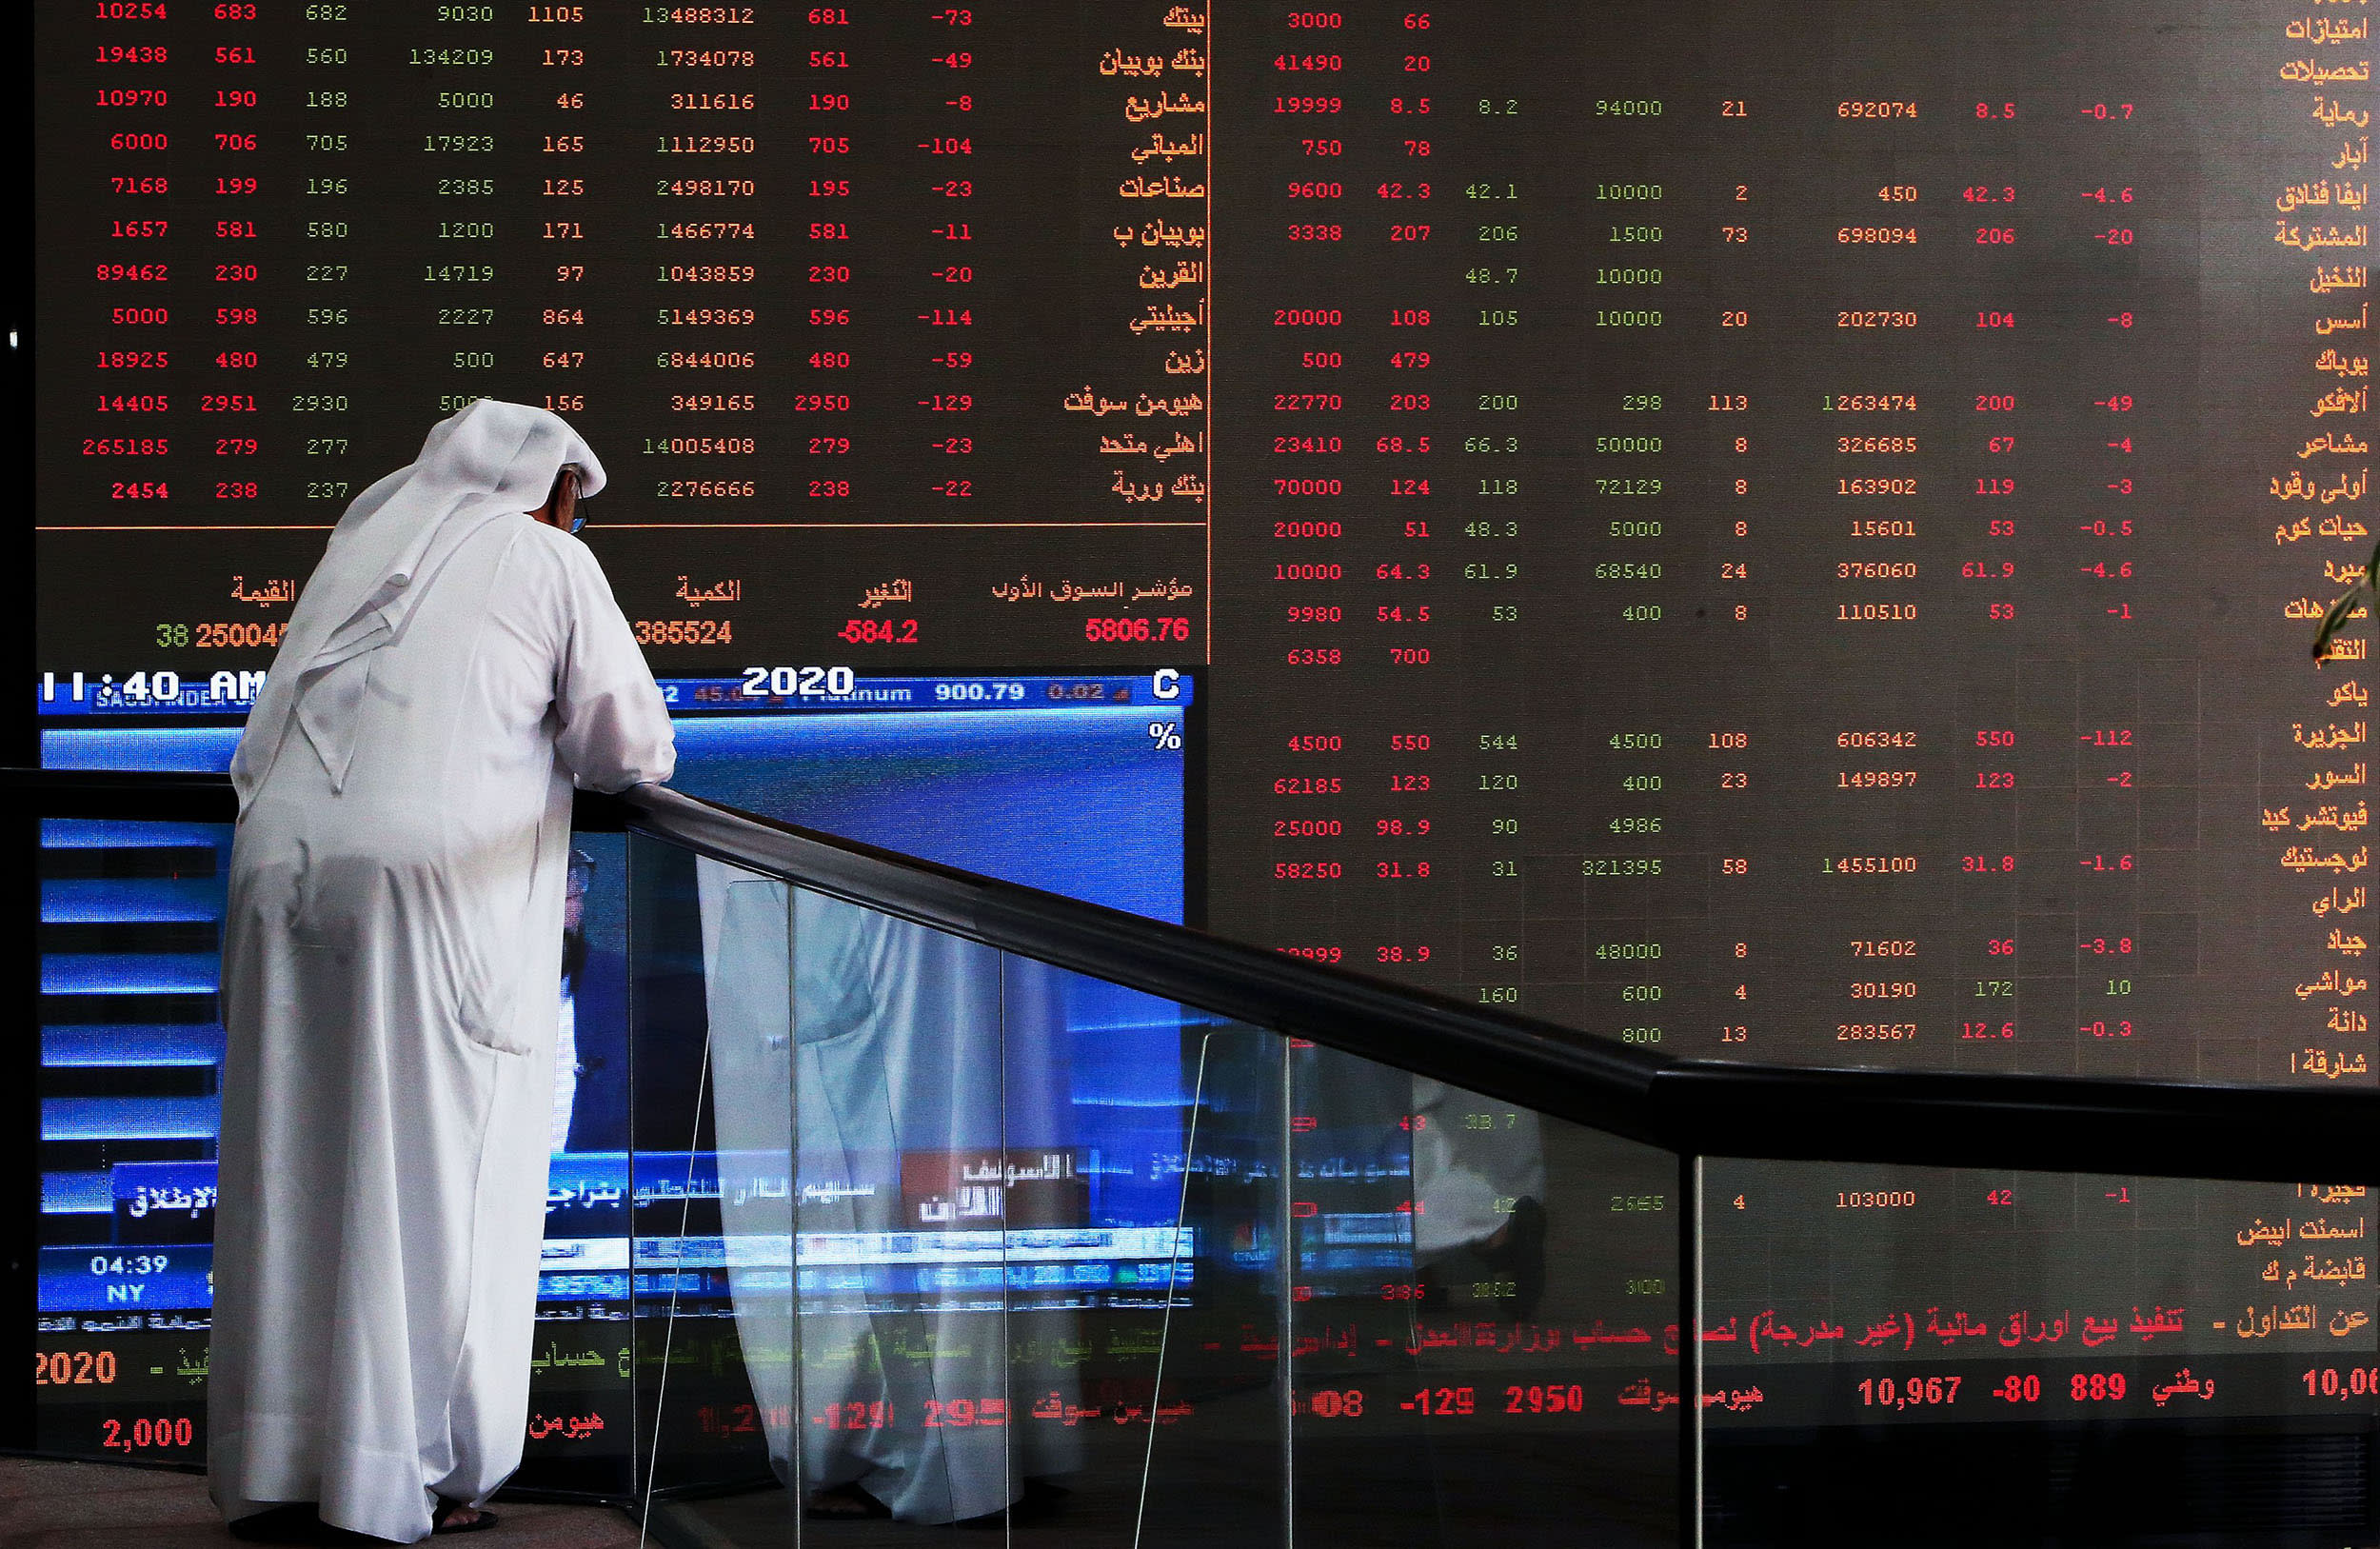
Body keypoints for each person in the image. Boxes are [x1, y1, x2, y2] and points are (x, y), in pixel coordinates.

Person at [208, 401, 676, 1543]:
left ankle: (276, 1462)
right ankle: (404, 1476)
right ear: (554, 488)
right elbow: (626, 747)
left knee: (290, 1162)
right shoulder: (547, 557)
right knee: (432, 1179)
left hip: (276, 876)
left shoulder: (354, 551)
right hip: (426, 892)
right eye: (576, 501)